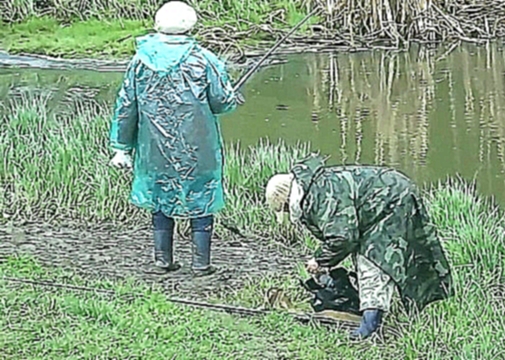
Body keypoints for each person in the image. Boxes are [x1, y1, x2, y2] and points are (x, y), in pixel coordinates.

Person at [108, 1, 244, 277]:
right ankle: (201, 263)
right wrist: (233, 98)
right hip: (199, 144)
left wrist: (121, 147)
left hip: (153, 146)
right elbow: (220, 102)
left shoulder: (139, 62)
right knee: (202, 194)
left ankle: (162, 260)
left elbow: (126, 106)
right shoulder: (205, 59)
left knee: (159, 196)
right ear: (190, 25)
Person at [265, 155, 454, 340]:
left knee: (373, 261)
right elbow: (345, 231)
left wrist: (320, 259)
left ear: (289, 199)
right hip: (391, 195)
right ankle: (394, 312)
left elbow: (344, 238)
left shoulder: (322, 196)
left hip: (392, 203)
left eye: (286, 209)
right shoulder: (314, 188)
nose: (289, 213)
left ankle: (369, 328)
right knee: (378, 258)